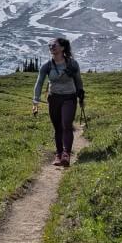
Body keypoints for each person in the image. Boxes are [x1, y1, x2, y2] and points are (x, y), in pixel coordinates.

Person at [32, 37, 85, 167]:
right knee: (57, 128)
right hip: (54, 98)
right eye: (50, 45)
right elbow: (39, 83)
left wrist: (81, 97)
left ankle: (66, 154)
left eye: (54, 45)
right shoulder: (47, 65)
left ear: (62, 48)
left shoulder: (72, 64)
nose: (51, 47)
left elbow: (78, 81)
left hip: (69, 98)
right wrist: (36, 100)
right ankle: (58, 154)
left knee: (66, 125)